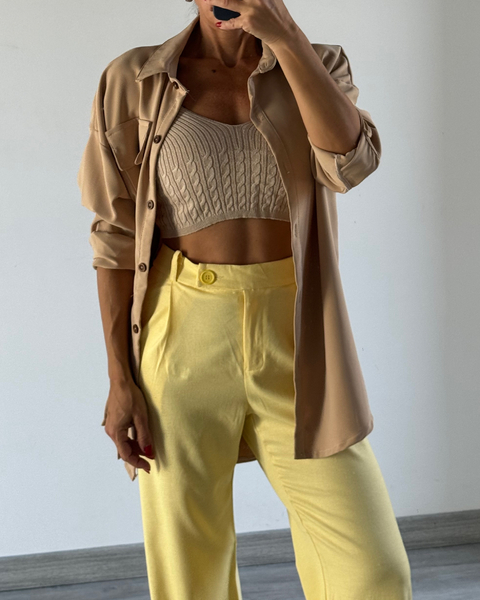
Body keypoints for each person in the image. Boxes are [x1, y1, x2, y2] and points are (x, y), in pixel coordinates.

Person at [78, 1, 413, 598]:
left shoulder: (318, 62)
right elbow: (115, 238)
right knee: (190, 576)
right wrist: (119, 379)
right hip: (181, 335)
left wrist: (286, 37)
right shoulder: (134, 79)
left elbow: (351, 164)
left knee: (372, 571)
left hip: (298, 335)